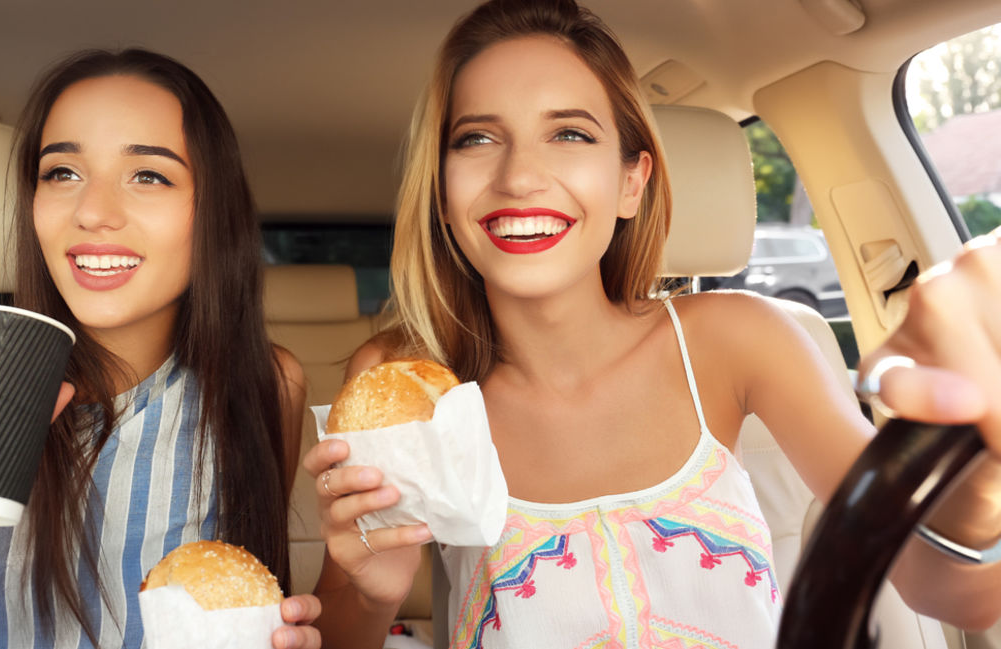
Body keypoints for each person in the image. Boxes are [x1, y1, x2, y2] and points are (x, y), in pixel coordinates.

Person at [303, 1, 1001, 646]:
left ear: (631, 181)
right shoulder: (400, 386)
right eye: (477, 138)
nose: (519, 176)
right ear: (442, 191)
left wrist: (983, 468)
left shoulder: (738, 339)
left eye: (569, 133)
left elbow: (938, 582)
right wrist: (370, 593)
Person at [0, 49, 321, 649]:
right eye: (62, 174)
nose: (92, 213)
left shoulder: (265, 385)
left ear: (214, 213)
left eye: (149, 175)